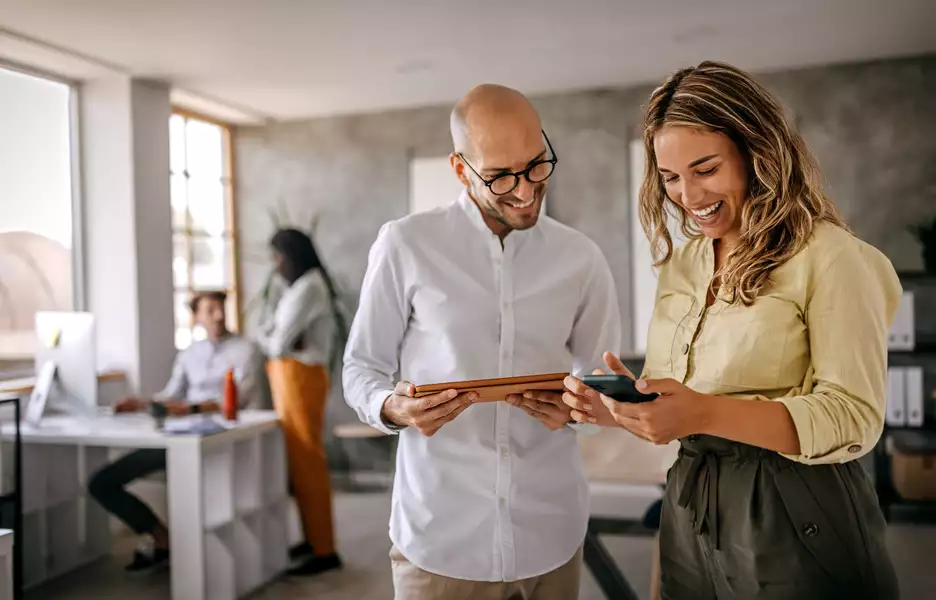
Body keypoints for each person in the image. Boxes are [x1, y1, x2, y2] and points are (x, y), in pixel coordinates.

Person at [563, 61, 901, 600]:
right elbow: (676, 397)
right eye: (670, 177)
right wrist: (615, 408)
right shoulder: (683, 264)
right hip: (691, 503)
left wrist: (701, 411)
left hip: (796, 506)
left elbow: (853, 416)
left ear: (756, 153)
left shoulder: (829, 256)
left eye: (706, 169)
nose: (688, 196)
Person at [343, 83, 621, 600]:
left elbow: (600, 379)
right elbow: (361, 368)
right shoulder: (406, 244)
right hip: (441, 539)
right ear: (459, 169)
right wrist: (392, 407)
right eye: (499, 177)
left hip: (551, 533)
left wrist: (585, 407)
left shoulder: (581, 258)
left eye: (537, 164)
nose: (525, 190)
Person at [88, 290, 266, 571]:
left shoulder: (247, 350)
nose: (218, 315)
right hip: (179, 438)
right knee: (102, 483)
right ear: (196, 317)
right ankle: (162, 538)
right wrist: (142, 403)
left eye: (221, 308)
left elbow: (239, 399)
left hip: (220, 440)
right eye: (210, 310)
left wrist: (192, 409)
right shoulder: (188, 355)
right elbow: (171, 395)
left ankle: (195, 557)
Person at [256, 227, 344, 576]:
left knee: (307, 462)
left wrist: (271, 335)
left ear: (291, 255)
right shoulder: (301, 287)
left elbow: (275, 341)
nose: (275, 265)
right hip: (293, 378)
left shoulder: (308, 286)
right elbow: (277, 336)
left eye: (278, 256)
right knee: (300, 463)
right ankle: (313, 540)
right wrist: (276, 335)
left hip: (300, 379)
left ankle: (324, 550)